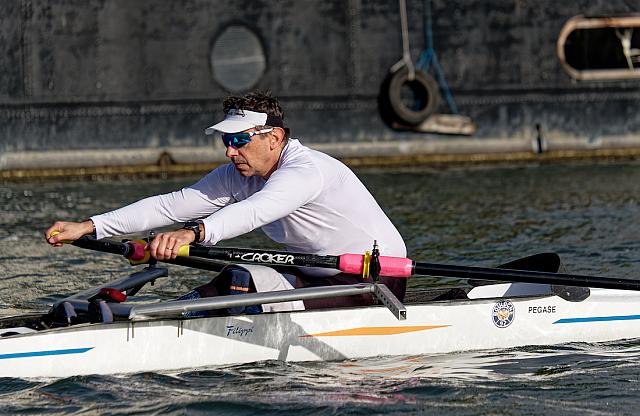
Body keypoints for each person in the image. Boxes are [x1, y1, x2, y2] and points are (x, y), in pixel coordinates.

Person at [45, 90, 407, 311]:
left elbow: (256, 211)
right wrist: (90, 226)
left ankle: (173, 325)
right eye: (225, 141)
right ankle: (174, 317)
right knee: (234, 278)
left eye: (238, 140)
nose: (230, 151)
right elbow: (170, 205)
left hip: (373, 280)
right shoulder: (240, 173)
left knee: (241, 283)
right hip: (315, 274)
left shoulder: (306, 170)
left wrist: (192, 235)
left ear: (274, 137)